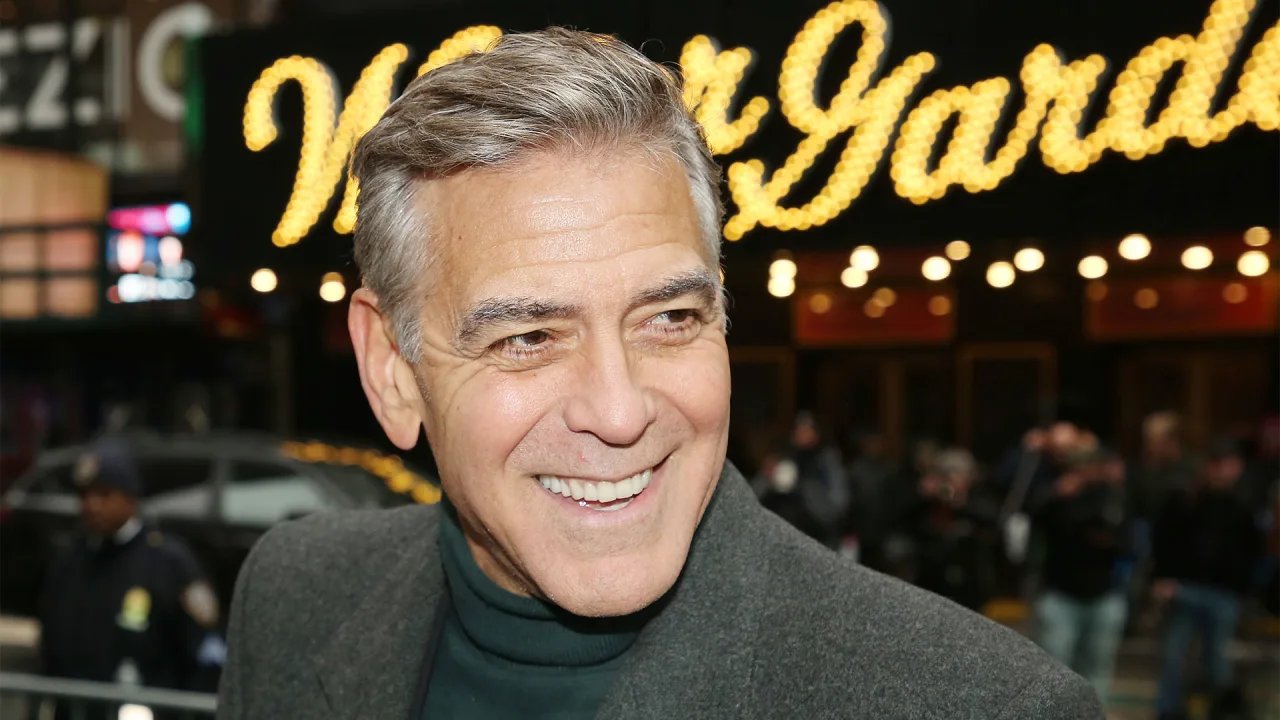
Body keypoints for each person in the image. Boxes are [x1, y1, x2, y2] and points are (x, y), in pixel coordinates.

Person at [216, 28, 1101, 719]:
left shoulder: (979, 705)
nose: (619, 410)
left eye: (670, 319)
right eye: (528, 336)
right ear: (392, 369)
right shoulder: (295, 594)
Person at [39, 439, 224, 709]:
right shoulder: (70, 559)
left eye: (104, 494)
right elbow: (51, 644)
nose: (92, 505)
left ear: (130, 498)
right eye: (85, 496)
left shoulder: (168, 562)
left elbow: (206, 653)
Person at [1153, 437, 1264, 720]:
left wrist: (1244, 591)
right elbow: (1165, 540)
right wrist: (1163, 577)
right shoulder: (1185, 498)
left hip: (1225, 593)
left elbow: (1253, 551)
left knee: (1217, 661)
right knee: (1175, 657)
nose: (1221, 471)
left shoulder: (1247, 504)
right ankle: (1170, 712)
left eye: (1228, 464)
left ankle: (1220, 711)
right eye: (1216, 464)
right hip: (1185, 588)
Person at [1031, 447, 1131, 702]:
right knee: (1053, 669)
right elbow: (1033, 519)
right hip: (1061, 593)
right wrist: (1056, 495)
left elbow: (1122, 538)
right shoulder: (1059, 496)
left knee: (1097, 668)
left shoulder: (1112, 496)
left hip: (1103, 594)